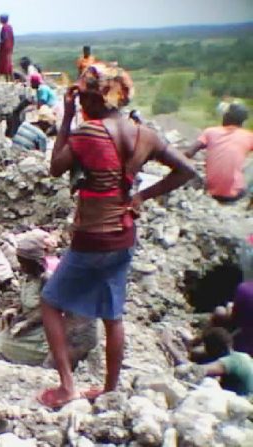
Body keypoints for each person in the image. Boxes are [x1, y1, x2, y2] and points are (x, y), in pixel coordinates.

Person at [37, 62, 195, 408]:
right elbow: (187, 169)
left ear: (95, 99)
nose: (80, 104)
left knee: (50, 304)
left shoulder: (87, 132)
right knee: (113, 315)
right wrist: (141, 196)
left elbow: (55, 167)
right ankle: (109, 389)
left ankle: (66, 386)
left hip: (92, 235)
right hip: (124, 235)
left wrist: (65, 119)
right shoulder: (144, 133)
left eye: (82, 97)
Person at [0, 229, 97, 366]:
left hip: (43, 334)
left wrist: (26, 322)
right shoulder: (30, 277)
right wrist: (16, 311)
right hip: (30, 326)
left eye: (24, 262)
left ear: (35, 261)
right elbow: (27, 300)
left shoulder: (49, 279)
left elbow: (52, 310)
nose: (21, 267)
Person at [186, 103, 252, 203]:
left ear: (225, 116)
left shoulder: (210, 132)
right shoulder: (249, 136)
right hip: (236, 195)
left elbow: (188, 153)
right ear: (242, 121)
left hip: (210, 191)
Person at [0, 14, 14, 82]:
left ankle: (8, 80)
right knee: (8, 63)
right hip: (9, 48)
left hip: (5, 48)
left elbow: (5, 38)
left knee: (5, 64)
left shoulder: (5, 28)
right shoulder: (9, 27)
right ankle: (11, 80)